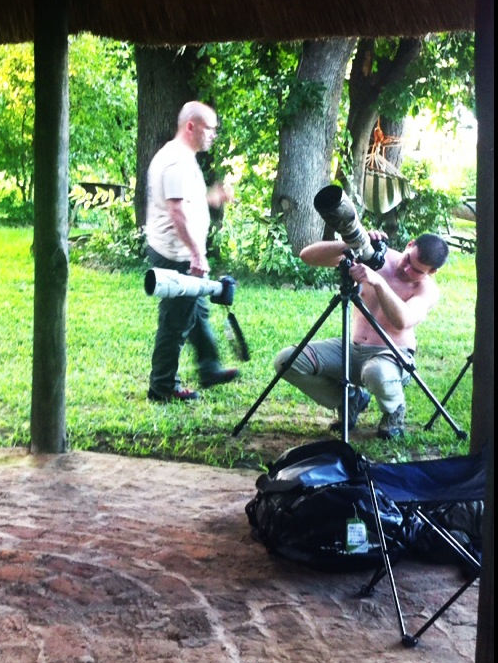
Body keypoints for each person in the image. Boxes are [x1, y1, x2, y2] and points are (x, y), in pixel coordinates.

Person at [275, 232, 448, 438]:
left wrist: (379, 282)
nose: (406, 269)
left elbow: (403, 321)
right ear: (410, 245)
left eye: (417, 270)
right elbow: (307, 256)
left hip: (391, 356)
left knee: (376, 372)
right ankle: (350, 399)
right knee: (287, 361)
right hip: (353, 349)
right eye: (408, 260)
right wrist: (354, 243)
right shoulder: (374, 256)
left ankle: (394, 411)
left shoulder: (427, 290)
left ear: (432, 271)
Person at [144, 101, 238, 402]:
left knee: (196, 312)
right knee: (175, 322)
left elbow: (187, 201)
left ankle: (209, 369)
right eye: (209, 129)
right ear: (190, 127)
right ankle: (162, 387)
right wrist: (197, 254)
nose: (213, 135)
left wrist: (214, 197)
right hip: (177, 255)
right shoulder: (176, 162)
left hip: (181, 252)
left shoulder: (183, 158)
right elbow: (176, 212)